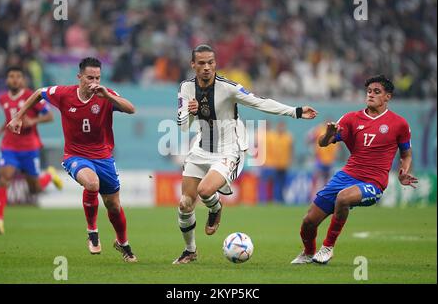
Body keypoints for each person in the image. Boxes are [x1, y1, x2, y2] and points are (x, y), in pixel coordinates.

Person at [173, 44, 318, 264]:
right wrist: (191, 115)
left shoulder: (228, 88)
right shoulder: (186, 88)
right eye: (201, 63)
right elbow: (183, 126)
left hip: (228, 149)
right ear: (193, 65)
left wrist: (295, 111)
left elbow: (260, 102)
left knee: (204, 190)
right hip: (201, 148)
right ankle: (190, 250)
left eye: (210, 63)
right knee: (184, 204)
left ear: (215, 64)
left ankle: (216, 207)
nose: (206, 67)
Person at [7, 57, 138, 263]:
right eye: (89, 77)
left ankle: (123, 244)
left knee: (113, 205)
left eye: (97, 77)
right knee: (92, 183)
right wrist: (18, 117)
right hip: (75, 156)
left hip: (103, 157)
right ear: (79, 77)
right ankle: (92, 232)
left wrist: (109, 97)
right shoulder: (64, 94)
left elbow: (131, 109)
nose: (94, 82)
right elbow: (38, 93)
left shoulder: (105, 95)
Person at [291, 75, 418, 265]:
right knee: (308, 221)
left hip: (373, 183)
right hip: (346, 176)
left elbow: (406, 154)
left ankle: (328, 247)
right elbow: (322, 143)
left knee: (343, 198)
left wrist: (403, 171)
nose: (371, 95)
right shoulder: (351, 119)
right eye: (368, 91)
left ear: (387, 97)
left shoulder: (399, 123)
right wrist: (329, 135)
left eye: (377, 92)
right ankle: (308, 252)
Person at [0, 66, 63, 235]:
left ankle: (50, 175)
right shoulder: (3, 99)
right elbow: (10, 119)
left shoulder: (32, 96)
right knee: (4, 177)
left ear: (23, 80)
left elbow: (50, 116)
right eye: (11, 76)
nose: (14, 79)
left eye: (18, 76)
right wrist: (0, 132)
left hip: (29, 147)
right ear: (7, 80)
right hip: (9, 146)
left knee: (34, 189)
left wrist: (33, 121)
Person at [307, 119, 340, 198]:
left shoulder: (335, 132)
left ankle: (324, 196)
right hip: (320, 159)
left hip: (330, 160)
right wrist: (312, 150)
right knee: (316, 178)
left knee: (327, 180)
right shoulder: (319, 129)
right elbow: (309, 138)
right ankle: (311, 196)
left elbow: (337, 147)